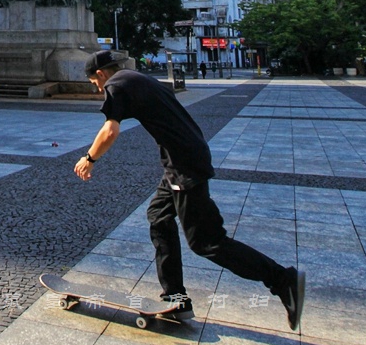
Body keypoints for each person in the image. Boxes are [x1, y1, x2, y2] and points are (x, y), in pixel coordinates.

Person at [74, 50, 304, 329]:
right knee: (158, 216)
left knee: (207, 242)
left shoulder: (116, 85)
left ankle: (282, 280)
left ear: (100, 74)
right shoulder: (138, 78)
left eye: (93, 83)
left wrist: (89, 159)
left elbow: (110, 131)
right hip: (184, 159)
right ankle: (175, 298)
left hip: (184, 166)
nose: (97, 89)